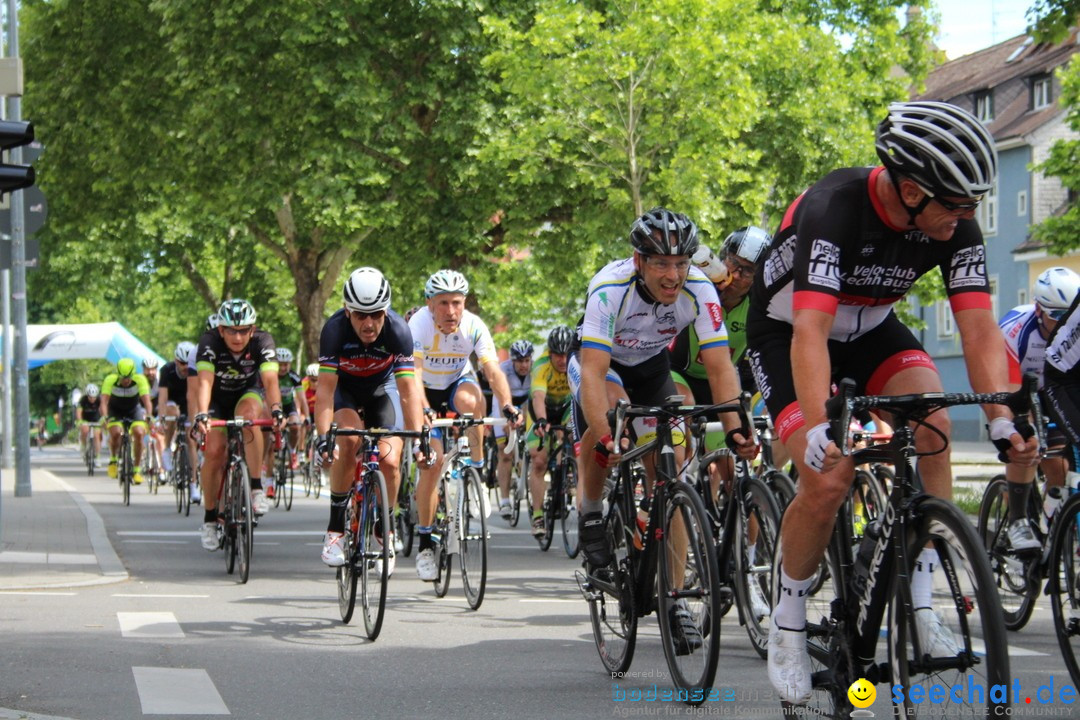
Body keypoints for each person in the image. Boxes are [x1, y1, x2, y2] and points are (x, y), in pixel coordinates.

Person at [744, 100, 1039, 704]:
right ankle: (789, 621)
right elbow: (808, 333)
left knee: (931, 415)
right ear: (909, 190)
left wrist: (1002, 417)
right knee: (827, 478)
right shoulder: (833, 208)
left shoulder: (954, 222)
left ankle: (924, 600)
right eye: (956, 206)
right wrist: (822, 426)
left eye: (972, 205)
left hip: (872, 327)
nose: (965, 218)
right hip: (790, 332)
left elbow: (980, 329)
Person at [573, 208, 756, 653]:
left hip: (651, 366)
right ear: (639, 262)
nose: (673, 275)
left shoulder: (699, 289)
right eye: (660, 263)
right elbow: (594, 375)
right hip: (604, 366)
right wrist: (608, 434)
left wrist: (735, 428)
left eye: (681, 263)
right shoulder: (609, 288)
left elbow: (720, 366)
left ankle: (673, 600)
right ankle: (592, 511)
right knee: (608, 427)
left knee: (669, 471)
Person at [408, 269, 520, 581]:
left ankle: (478, 471)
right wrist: (425, 409)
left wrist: (508, 405)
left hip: (457, 382)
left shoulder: (473, 325)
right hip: (425, 389)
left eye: (456, 302)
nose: (450, 311)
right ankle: (426, 544)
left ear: (464, 302)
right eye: (443, 303)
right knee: (433, 463)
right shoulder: (418, 324)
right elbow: (413, 375)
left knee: (474, 403)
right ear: (430, 304)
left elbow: (493, 371)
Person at [314, 268, 427, 575]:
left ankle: (384, 528)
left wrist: (418, 437)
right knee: (347, 441)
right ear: (348, 311)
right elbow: (324, 392)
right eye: (361, 315)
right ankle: (335, 529)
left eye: (376, 314)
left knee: (390, 460)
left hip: (382, 391)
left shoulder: (399, 331)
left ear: (386, 311)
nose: (369, 323)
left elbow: (407, 391)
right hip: (345, 392)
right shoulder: (334, 330)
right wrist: (324, 436)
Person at [192, 299, 284, 551]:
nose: (237, 336)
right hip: (217, 400)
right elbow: (204, 383)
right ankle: (210, 519)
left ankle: (255, 487)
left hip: (247, 392)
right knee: (214, 452)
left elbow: (270, 381)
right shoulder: (209, 342)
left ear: (252, 330)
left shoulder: (262, 342)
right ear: (221, 330)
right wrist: (201, 414)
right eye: (231, 330)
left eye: (244, 330)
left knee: (249, 418)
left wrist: (276, 410)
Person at [998, 267, 1080, 548]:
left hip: (1056, 389)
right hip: (1017, 387)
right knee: (1026, 444)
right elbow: (1007, 390)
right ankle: (1018, 521)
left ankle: (1053, 515)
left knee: (1059, 465)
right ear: (1038, 310)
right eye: (1057, 316)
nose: (1065, 324)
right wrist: (1023, 424)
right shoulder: (1015, 332)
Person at [526, 325, 574, 536]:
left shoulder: (577, 363)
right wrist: (542, 420)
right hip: (541, 409)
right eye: (557, 355)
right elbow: (538, 396)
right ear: (550, 353)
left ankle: (568, 471)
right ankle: (537, 516)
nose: (562, 360)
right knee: (538, 461)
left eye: (566, 355)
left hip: (564, 408)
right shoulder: (541, 365)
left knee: (575, 435)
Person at [495, 339, 534, 520]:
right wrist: (505, 421)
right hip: (504, 405)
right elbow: (500, 398)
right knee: (505, 452)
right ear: (512, 361)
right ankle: (504, 500)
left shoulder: (535, 370)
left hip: (525, 404)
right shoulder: (503, 370)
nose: (524, 365)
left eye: (527, 360)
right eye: (520, 361)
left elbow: (534, 398)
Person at [100, 358, 154, 484]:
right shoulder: (110, 380)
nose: (126, 380)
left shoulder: (140, 379)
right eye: (123, 378)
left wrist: (149, 415)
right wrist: (104, 417)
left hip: (133, 410)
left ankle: (136, 469)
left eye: (128, 377)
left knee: (139, 433)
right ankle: (113, 459)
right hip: (115, 410)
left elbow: (147, 402)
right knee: (116, 433)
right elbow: (103, 402)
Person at [159, 341, 200, 503]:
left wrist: (194, 421)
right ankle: (167, 448)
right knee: (171, 412)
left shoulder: (195, 371)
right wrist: (162, 418)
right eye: (182, 363)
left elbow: (195, 398)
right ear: (176, 361)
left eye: (188, 364)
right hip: (172, 401)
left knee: (191, 440)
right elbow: (162, 398)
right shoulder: (167, 370)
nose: (185, 367)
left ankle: (193, 484)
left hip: (189, 402)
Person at [77, 383, 104, 463]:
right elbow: (78, 412)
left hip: (96, 420)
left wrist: (103, 419)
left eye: (94, 397)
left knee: (97, 436)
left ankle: (98, 457)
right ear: (87, 395)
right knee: (84, 430)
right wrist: (80, 421)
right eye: (90, 397)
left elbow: (103, 410)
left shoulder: (99, 400)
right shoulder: (83, 400)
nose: (92, 399)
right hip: (85, 419)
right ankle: (83, 446)